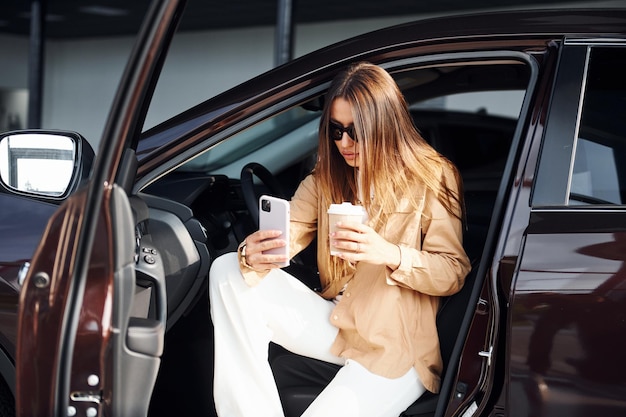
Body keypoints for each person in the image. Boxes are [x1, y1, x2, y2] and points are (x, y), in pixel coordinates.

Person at [209, 62, 471, 417]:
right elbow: (289, 232)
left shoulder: (432, 175)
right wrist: (254, 253)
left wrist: (389, 253)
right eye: (336, 130)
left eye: (355, 131)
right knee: (228, 269)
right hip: (336, 323)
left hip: (394, 345)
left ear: (384, 125)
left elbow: (452, 271)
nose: (344, 143)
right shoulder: (326, 177)